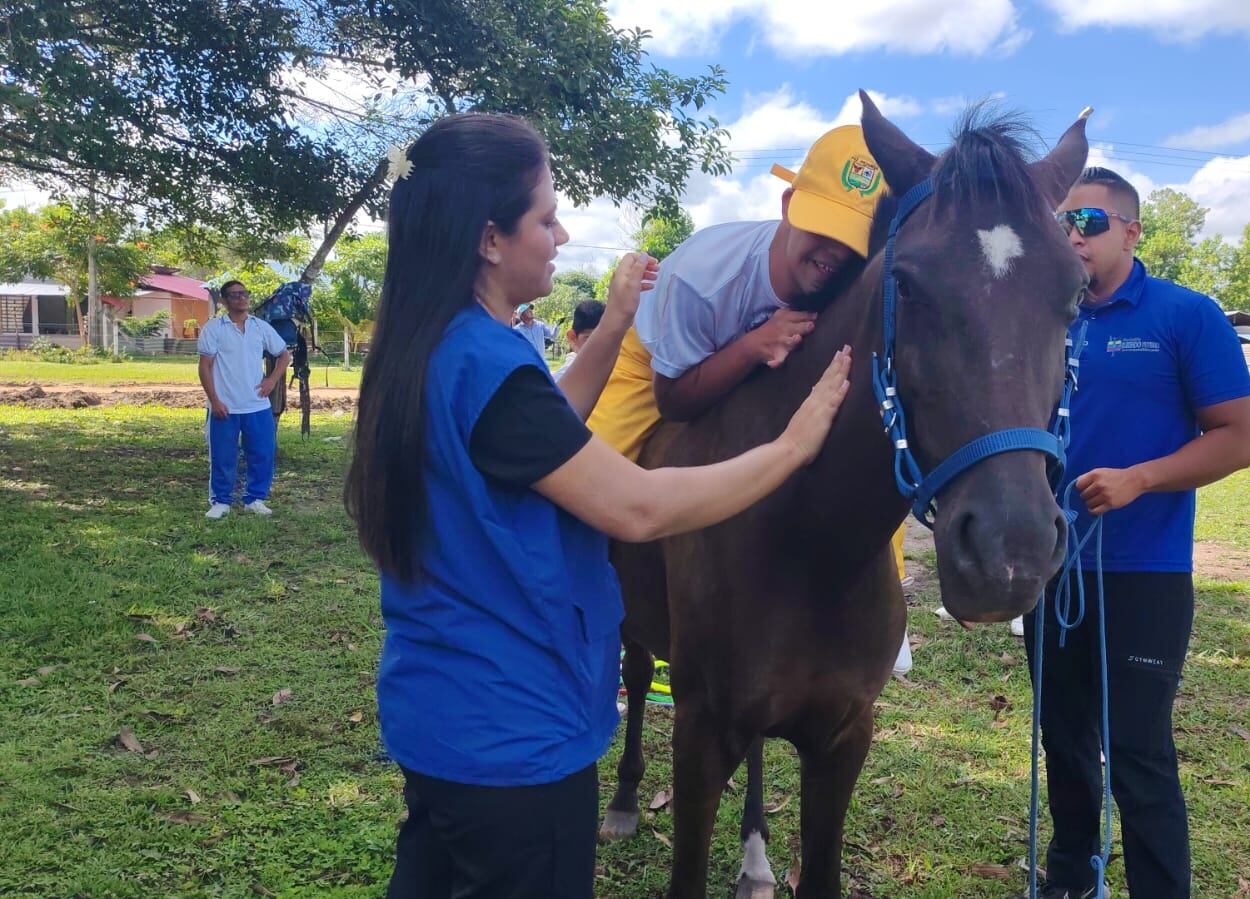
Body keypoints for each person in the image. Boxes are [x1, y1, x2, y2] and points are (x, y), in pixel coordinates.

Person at [343, 112, 852, 899]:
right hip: (514, 738)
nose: (561, 232)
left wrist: (615, 324)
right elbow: (640, 508)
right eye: (545, 217)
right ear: (489, 239)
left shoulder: (442, 344)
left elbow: (536, 426)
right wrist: (789, 449)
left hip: (440, 717)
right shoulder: (487, 363)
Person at [584, 124, 917, 674]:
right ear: (790, 204)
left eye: (856, 241)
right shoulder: (704, 276)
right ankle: (574, 607)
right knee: (586, 486)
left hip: (767, 361)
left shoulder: (853, 279)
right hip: (656, 366)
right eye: (824, 228)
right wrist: (751, 348)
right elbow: (675, 401)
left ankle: (886, 604)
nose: (836, 252)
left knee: (872, 455)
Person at [1022, 168, 1250, 899]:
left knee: (1137, 752)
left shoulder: (1184, 315)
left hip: (1143, 571)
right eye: (1059, 222)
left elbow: (1235, 439)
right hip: (1050, 568)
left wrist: (1139, 479)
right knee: (1063, 744)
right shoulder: (1041, 317)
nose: (1071, 236)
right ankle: (1069, 879)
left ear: (1131, 231)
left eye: (1088, 222)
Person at [198, 280, 288, 519]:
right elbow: (205, 367)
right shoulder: (214, 328)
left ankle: (255, 499)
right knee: (222, 455)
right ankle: (221, 501)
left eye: (244, 294)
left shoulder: (260, 327)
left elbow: (283, 355)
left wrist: (271, 380)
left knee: (262, 453)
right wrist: (214, 400)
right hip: (224, 406)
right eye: (235, 295)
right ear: (225, 301)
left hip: (257, 404)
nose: (242, 299)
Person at [553, 299, 604, 381]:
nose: (599, 347)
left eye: (605, 340)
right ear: (572, 337)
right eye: (590, 339)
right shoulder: (564, 377)